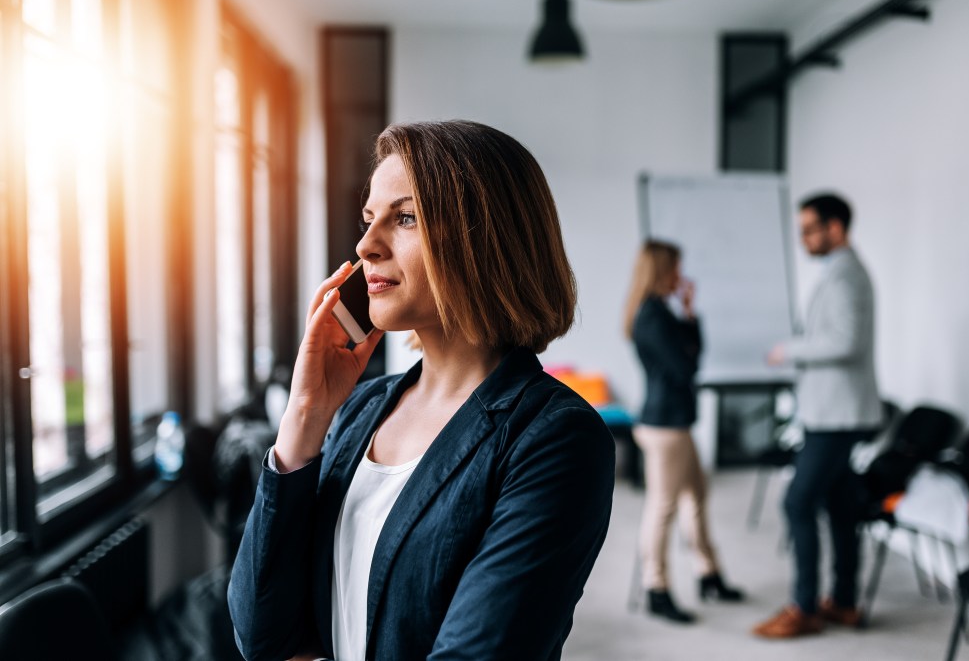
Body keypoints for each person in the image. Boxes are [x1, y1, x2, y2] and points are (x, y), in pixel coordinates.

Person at [228, 120, 616, 661]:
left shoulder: (554, 438)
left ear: (487, 241)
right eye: (368, 220)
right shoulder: (359, 409)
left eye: (405, 218)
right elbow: (261, 635)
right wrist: (304, 418)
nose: (366, 245)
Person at [754, 193, 883, 638]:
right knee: (840, 503)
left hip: (837, 415)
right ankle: (844, 602)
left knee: (798, 502)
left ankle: (804, 607)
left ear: (836, 228)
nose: (803, 238)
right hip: (832, 411)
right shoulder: (840, 271)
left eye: (810, 229)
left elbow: (846, 343)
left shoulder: (846, 276)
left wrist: (789, 349)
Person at [623, 240, 744, 624]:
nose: (681, 274)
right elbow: (686, 368)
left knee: (697, 497)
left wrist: (690, 312)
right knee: (664, 507)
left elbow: (693, 353)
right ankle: (656, 589)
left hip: (676, 423)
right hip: (664, 427)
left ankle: (708, 574)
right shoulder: (652, 316)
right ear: (661, 269)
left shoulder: (662, 311)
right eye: (676, 267)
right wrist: (687, 337)